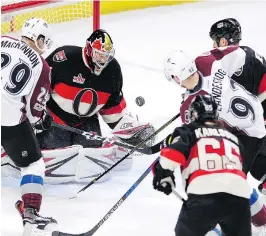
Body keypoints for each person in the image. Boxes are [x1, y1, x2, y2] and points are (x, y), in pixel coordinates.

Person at [163, 49, 266, 227]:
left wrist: (172, 143)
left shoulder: (190, 106)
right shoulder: (206, 60)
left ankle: (256, 221)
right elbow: (240, 52)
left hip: (248, 133)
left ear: (177, 77)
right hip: (256, 111)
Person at [35, 29, 155, 177]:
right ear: (89, 49)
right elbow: (38, 88)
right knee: (56, 151)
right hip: (56, 119)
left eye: (106, 56)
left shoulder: (113, 71)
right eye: (99, 54)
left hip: (86, 121)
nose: (103, 60)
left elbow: (112, 108)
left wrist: (126, 129)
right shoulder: (64, 58)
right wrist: (35, 116)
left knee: (92, 155)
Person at [153, 94, 251, 236]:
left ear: (193, 114)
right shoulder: (234, 138)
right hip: (239, 196)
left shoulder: (188, 131)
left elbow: (171, 154)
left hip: (204, 193)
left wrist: (163, 174)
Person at [1, 17, 56, 234]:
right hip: (7, 119)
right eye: (44, 42)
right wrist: (42, 119)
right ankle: (30, 212)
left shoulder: (2, 40)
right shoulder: (41, 66)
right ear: (39, 38)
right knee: (33, 165)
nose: (44, 48)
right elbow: (34, 111)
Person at [209, 18, 266, 195]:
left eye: (215, 40)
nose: (212, 44)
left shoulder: (232, 61)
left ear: (223, 41)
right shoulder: (242, 54)